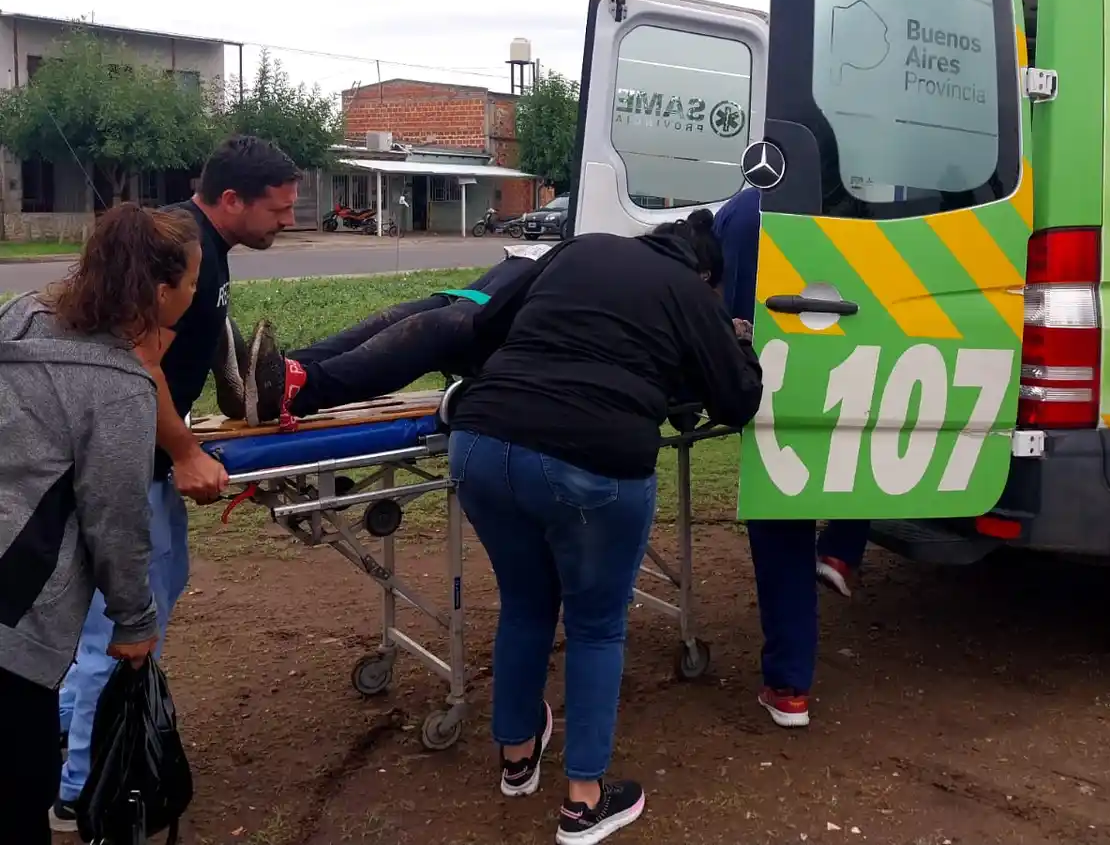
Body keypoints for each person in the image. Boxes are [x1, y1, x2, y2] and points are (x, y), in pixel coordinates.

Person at [445, 210, 763, 845]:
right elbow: (738, 401)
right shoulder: (689, 293)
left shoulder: (579, 249)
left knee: (526, 606)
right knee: (595, 628)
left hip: (479, 444)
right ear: (705, 272)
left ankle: (516, 758)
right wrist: (738, 341)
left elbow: (485, 327)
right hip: (587, 464)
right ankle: (585, 802)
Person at [52, 134, 300, 832]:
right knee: (125, 630)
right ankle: (80, 788)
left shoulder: (204, 248)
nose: (287, 221)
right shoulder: (177, 246)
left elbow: (191, 344)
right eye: (278, 209)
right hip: (133, 465)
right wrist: (186, 451)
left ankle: (69, 747)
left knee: (127, 614)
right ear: (231, 200)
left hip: (140, 455)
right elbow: (140, 358)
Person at [0, 202, 202, 843]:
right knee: (19, 788)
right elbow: (115, 519)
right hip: (12, 616)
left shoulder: (23, 315)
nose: (196, 294)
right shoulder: (118, 386)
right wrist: (137, 622)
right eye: (193, 283)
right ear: (161, 294)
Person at [713, 184, 871, 729]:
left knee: (782, 525)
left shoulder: (740, 212)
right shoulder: (866, 206)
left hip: (770, 375)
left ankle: (789, 687)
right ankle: (843, 550)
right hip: (858, 366)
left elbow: (724, 304)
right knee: (862, 457)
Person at [232, 253, 540, 428]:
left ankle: (297, 390)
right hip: (533, 274)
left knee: (435, 328)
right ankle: (271, 379)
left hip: (536, 347)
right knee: (403, 314)